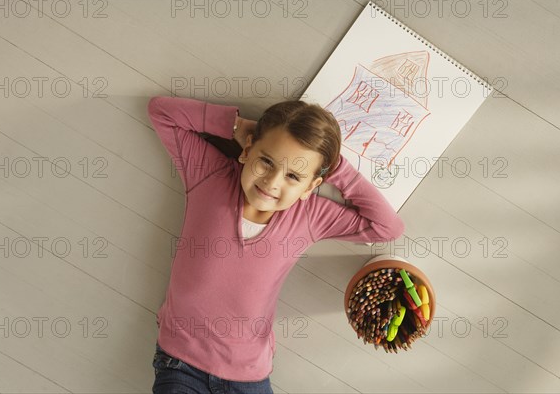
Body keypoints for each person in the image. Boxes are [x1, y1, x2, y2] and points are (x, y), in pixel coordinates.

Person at [147, 96, 405, 394]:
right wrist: (237, 125)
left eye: (293, 176)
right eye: (266, 161)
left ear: (310, 187)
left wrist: (336, 169)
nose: (272, 182)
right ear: (247, 149)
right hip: (180, 363)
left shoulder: (312, 216)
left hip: (248, 375)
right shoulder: (210, 175)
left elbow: (387, 227)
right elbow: (161, 112)